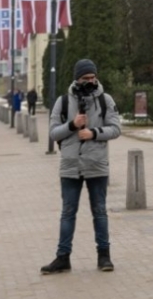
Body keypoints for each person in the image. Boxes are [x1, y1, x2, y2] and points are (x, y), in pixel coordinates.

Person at [41, 59, 122, 274]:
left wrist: (93, 133)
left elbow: (115, 129)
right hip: (70, 165)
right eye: (85, 78)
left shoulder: (105, 100)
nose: (89, 81)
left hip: (97, 163)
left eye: (92, 77)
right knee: (68, 212)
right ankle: (62, 257)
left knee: (100, 212)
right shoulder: (63, 102)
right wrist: (72, 125)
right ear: (76, 79)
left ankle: (104, 257)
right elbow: (53, 133)